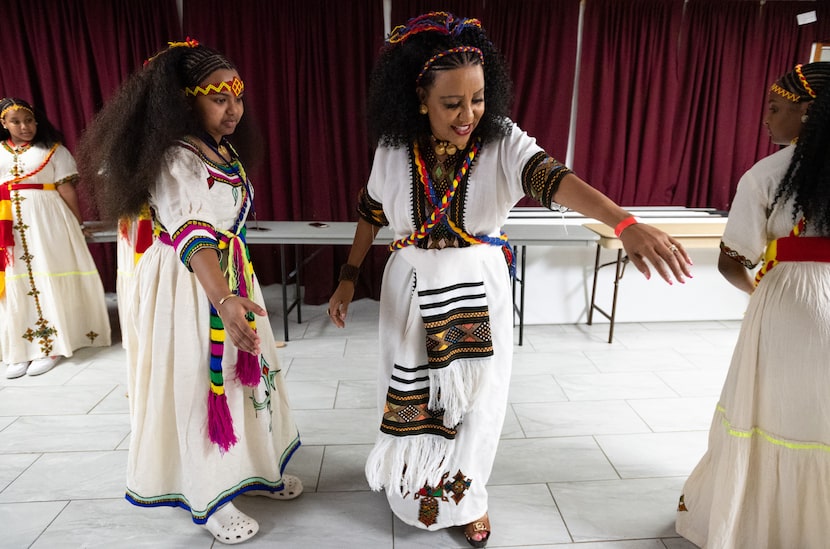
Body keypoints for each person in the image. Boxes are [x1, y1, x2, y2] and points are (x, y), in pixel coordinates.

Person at [327, 12, 693, 548]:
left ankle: (467, 498)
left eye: (477, 99)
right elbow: (370, 212)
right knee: (413, 395)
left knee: (477, 402)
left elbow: (554, 178)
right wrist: (347, 277)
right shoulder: (392, 148)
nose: (467, 114)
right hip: (407, 295)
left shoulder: (502, 142)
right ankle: (413, 488)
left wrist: (624, 222)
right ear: (419, 98)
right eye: (451, 103)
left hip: (477, 290)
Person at [76, 40, 301, 545]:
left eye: (238, 96)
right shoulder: (174, 156)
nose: (234, 109)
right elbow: (193, 234)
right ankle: (210, 496)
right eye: (220, 97)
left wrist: (233, 292)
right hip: (190, 283)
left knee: (248, 374)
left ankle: (255, 468)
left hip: (229, 276)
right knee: (201, 380)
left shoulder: (220, 148)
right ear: (184, 100)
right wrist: (222, 298)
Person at [675, 62, 830, 548]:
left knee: (771, 413)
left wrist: (762, 294)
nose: (765, 117)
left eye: (775, 107)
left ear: (806, 113)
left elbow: (730, 262)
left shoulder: (766, 175)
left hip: (790, 304)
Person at [0, 97, 111, 379]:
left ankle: (51, 345)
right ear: (4, 124)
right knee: (16, 280)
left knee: (48, 273)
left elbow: (67, 190)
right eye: (16, 121)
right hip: (7, 223)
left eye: (29, 120)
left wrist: (77, 223)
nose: (24, 126)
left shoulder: (54, 151)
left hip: (48, 220)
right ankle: (21, 348)